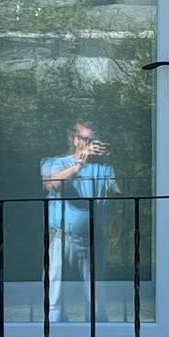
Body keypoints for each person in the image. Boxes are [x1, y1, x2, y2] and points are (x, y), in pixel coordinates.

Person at [40, 120, 118, 323]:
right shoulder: (55, 163)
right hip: (61, 238)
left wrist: (118, 159)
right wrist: (79, 163)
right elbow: (52, 185)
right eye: (85, 139)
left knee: (95, 298)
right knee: (54, 296)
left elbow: (125, 191)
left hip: (92, 239)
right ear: (73, 139)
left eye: (93, 140)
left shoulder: (104, 167)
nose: (89, 144)